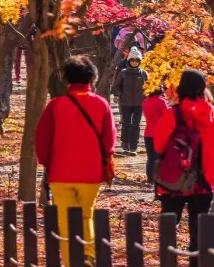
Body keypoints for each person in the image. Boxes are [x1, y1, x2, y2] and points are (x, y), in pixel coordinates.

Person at [35, 55, 116, 261]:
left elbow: (42, 139)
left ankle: (72, 261)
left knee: (65, 220)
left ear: (67, 79)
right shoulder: (101, 104)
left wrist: (46, 163)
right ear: (92, 78)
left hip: (61, 172)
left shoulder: (55, 105)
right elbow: (109, 140)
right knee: (86, 215)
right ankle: (88, 257)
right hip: (91, 172)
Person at [151, 70, 214, 250]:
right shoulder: (211, 113)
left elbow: (158, 146)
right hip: (201, 182)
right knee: (199, 236)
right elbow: (213, 150)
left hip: (173, 181)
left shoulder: (173, 114)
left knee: (168, 232)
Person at [114, 48, 149, 154]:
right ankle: (125, 146)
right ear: (129, 61)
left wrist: (146, 97)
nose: (134, 62)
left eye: (136, 60)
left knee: (136, 125)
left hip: (139, 103)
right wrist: (118, 95)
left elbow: (149, 87)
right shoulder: (123, 73)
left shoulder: (143, 73)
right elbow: (117, 86)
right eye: (132, 60)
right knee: (126, 124)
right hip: (125, 103)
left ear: (140, 61)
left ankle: (134, 147)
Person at [144, 82, 172, 180]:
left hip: (147, 132)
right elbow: (167, 114)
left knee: (150, 157)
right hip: (159, 133)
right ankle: (157, 177)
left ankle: (150, 177)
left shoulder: (146, 101)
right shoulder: (161, 101)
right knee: (158, 157)